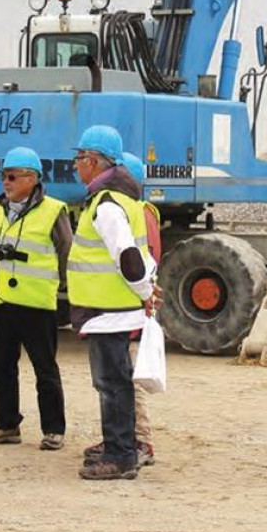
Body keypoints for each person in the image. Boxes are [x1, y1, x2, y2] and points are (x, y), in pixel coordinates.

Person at [68, 126, 156, 481]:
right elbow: (140, 256)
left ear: (92, 160)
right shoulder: (123, 200)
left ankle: (120, 456)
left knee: (112, 385)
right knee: (115, 383)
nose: (75, 166)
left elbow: (128, 256)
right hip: (110, 310)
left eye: (78, 159)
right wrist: (146, 288)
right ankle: (119, 447)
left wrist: (145, 292)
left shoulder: (106, 204)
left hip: (108, 311)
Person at [0, 147, 72, 451]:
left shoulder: (54, 210)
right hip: (4, 300)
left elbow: (66, 251)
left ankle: (54, 429)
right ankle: (6, 425)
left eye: (12, 176)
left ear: (32, 178)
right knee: (1, 367)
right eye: (4, 176)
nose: (6, 181)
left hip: (38, 303)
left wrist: (66, 293)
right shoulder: (0, 208)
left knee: (45, 368)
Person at [114, 151, 161, 466]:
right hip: (127, 307)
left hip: (129, 308)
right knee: (122, 379)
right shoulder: (145, 212)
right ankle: (124, 437)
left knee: (129, 380)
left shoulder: (136, 215)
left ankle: (141, 441)